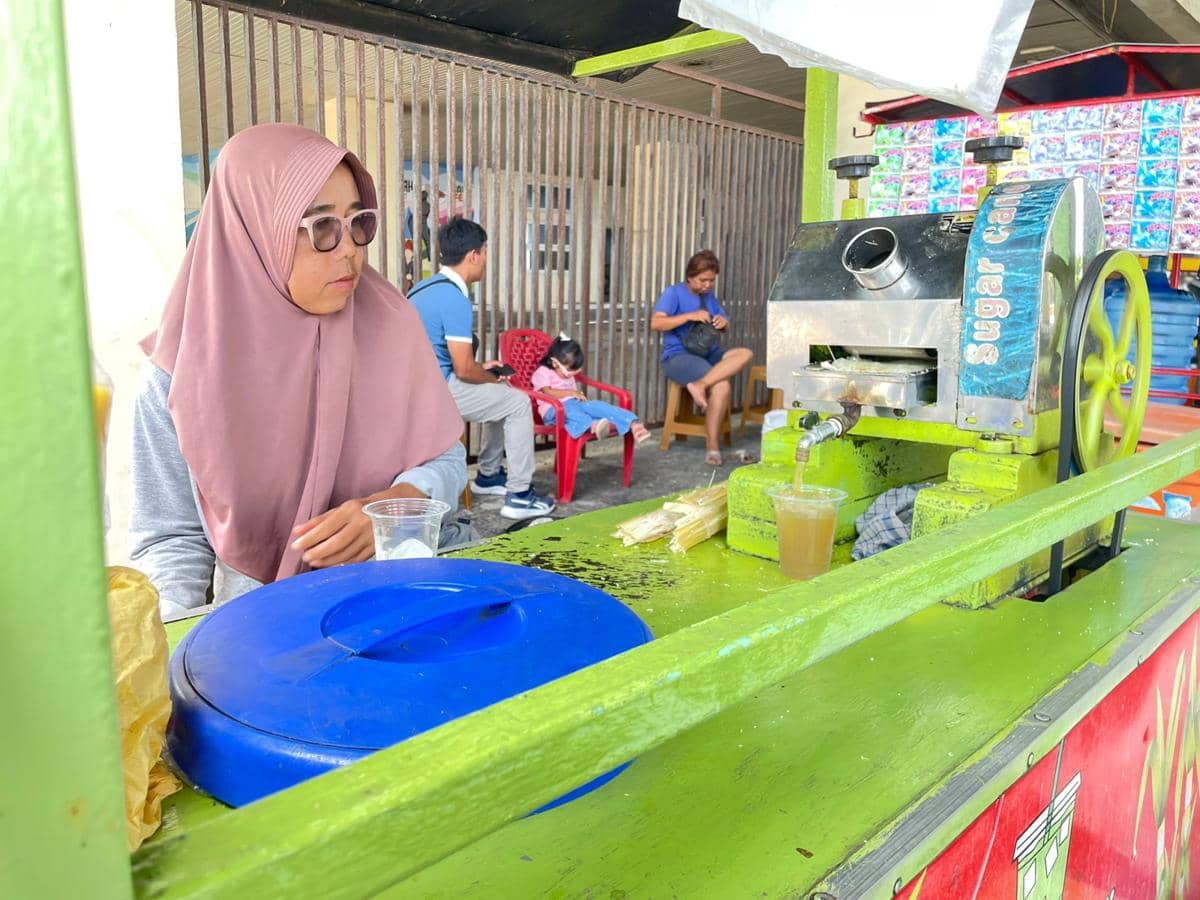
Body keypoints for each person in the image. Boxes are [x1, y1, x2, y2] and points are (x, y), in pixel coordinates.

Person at [129, 124, 468, 619]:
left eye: (359, 223)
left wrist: (397, 502)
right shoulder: (178, 378)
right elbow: (170, 539)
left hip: (399, 606)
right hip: (263, 632)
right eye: (321, 227)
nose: (350, 249)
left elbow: (448, 459)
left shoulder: (390, 326)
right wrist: (174, 654)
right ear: (250, 234)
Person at [409, 217, 556, 520]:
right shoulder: (454, 297)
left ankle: (488, 475)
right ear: (473, 255)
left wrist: (486, 373)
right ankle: (520, 495)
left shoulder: (424, 289)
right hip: (436, 391)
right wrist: (486, 374)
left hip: (414, 386)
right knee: (516, 401)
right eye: (485, 252)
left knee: (497, 391)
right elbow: (463, 369)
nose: (486, 260)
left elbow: (447, 356)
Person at [651, 250, 754, 465]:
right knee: (722, 386)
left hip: (707, 353)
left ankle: (700, 384)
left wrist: (724, 323)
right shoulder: (674, 293)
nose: (707, 285)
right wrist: (689, 316)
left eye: (711, 281)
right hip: (678, 356)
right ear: (690, 276)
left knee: (745, 353)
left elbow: (724, 319)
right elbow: (656, 323)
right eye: (702, 280)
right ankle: (713, 447)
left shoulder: (708, 297)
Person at [530, 336, 651, 443]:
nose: (572, 374)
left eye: (575, 370)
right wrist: (571, 393)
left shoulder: (567, 373)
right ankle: (592, 425)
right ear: (555, 363)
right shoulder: (543, 372)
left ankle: (633, 423)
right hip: (554, 410)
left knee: (597, 405)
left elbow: (573, 397)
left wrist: (577, 396)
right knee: (573, 413)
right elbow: (548, 392)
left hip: (573, 404)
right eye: (570, 370)